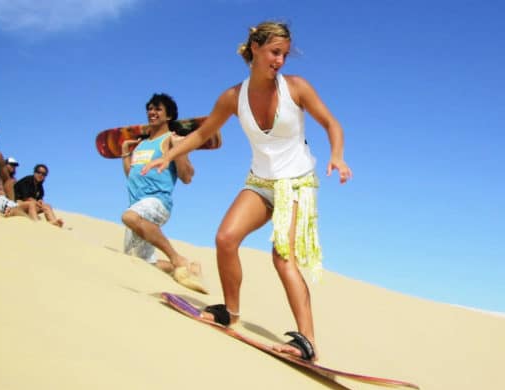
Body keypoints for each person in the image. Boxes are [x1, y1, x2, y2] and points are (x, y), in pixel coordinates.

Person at [142, 21, 352, 361]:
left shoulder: (296, 88)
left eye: (284, 54)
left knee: (282, 258)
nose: (280, 60)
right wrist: (167, 156)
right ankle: (231, 312)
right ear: (254, 48)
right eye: (274, 52)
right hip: (259, 181)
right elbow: (201, 134)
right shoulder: (232, 97)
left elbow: (331, 123)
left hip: (296, 182)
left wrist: (337, 155)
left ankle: (307, 341)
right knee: (226, 239)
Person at [121, 93, 205, 293]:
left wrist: (180, 150)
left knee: (129, 217)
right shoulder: (141, 144)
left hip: (157, 202)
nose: (152, 112)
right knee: (137, 262)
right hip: (137, 204)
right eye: (150, 108)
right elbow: (131, 175)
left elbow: (187, 177)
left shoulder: (171, 140)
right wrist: (125, 152)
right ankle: (190, 267)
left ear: (168, 116)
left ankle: (176, 258)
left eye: (158, 109)